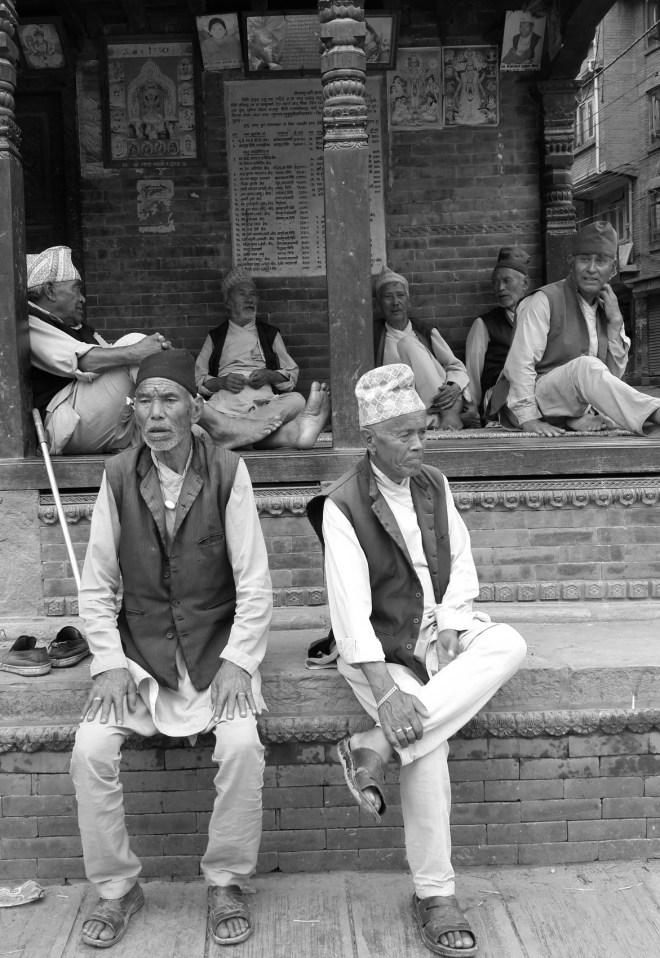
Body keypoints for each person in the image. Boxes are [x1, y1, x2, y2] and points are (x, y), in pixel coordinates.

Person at [307, 364, 526, 957]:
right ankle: (436, 894)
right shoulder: (342, 504)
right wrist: (386, 690)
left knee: (509, 643)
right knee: (428, 747)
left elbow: (460, 561)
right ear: (371, 437)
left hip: (436, 631)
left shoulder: (434, 482)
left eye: (422, 430)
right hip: (380, 646)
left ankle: (374, 744)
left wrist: (453, 626)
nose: (418, 444)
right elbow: (350, 614)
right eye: (404, 434)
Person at [70, 349, 271, 949]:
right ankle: (116, 887)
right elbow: (97, 585)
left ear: (195, 407)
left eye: (170, 399)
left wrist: (239, 660)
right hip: (141, 656)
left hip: (216, 651)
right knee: (88, 751)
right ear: (135, 412)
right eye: (146, 401)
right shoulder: (117, 476)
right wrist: (107, 663)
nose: (156, 414)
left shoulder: (230, 472)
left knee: (241, 745)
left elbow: (255, 583)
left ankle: (227, 881)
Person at [27, 246, 289, 453]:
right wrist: (138, 352)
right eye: (76, 289)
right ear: (50, 290)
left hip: (101, 421)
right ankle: (223, 426)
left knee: (187, 430)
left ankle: (292, 433)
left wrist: (159, 364)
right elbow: (84, 362)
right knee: (132, 342)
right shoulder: (30, 322)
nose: (82, 298)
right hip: (64, 425)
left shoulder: (77, 327)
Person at [503, 221, 660, 436]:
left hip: (573, 404)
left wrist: (615, 323)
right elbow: (519, 364)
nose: (591, 269)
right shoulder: (543, 300)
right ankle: (656, 413)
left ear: (613, 269)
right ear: (571, 263)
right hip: (533, 400)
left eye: (601, 261)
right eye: (584, 259)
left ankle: (574, 418)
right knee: (586, 366)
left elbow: (609, 379)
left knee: (591, 370)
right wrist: (528, 419)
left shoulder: (608, 310)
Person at [195, 264, 330, 448]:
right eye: (242, 294)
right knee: (193, 407)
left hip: (262, 404)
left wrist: (269, 375)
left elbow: (291, 375)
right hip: (225, 405)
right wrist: (222, 382)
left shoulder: (269, 334)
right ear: (228, 303)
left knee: (297, 400)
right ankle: (259, 436)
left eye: (253, 294)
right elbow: (199, 380)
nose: (249, 299)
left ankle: (236, 433)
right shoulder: (215, 337)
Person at [373, 266, 478, 430]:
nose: (395, 302)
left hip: (437, 399)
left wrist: (454, 386)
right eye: (388, 297)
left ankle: (449, 413)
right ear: (379, 303)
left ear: (409, 300)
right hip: (404, 408)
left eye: (400, 295)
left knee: (407, 343)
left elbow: (455, 366)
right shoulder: (374, 336)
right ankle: (449, 419)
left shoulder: (424, 331)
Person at [465, 246, 531, 420]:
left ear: (525, 283)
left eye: (506, 280)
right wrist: (474, 411)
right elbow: (472, 373)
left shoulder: (538, 319)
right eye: (495, 282)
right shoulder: (484, 324)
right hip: (498, 398)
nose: (499, 288)